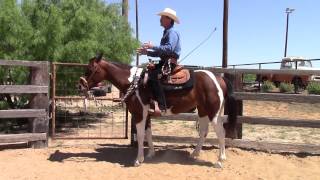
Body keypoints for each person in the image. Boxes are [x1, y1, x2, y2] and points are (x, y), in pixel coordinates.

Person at [137, 7, 181, 116]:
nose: (160, 19)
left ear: (169, 19)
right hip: (164, 61)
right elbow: (161, 53)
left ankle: (162, 106)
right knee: (146, 73)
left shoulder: (172, 32)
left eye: (162, 17)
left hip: (169, 62)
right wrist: (147, 52)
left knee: (154, 76)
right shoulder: (166, 32)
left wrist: (153, 46)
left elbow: (169, 48)